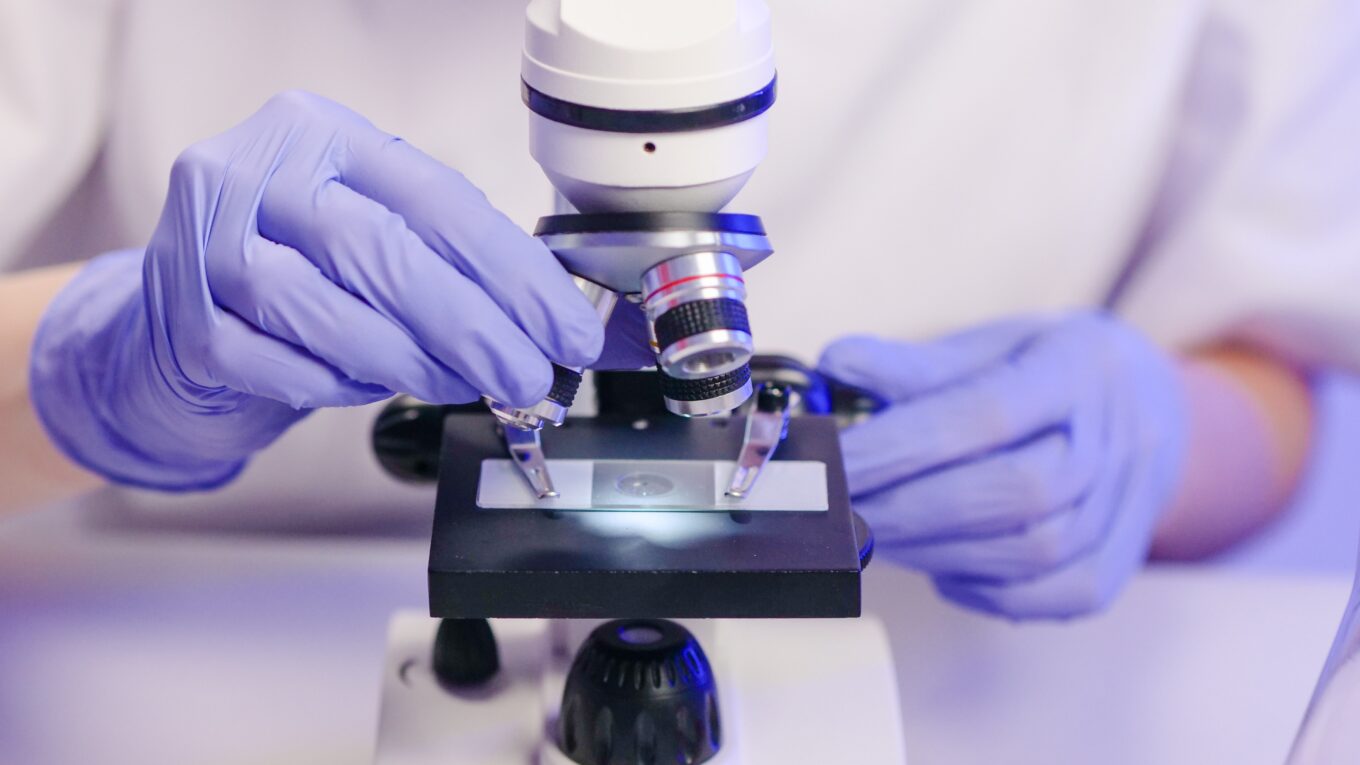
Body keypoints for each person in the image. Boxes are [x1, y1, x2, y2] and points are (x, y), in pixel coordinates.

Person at [1, 1, 1354, 622]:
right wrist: (75, 372)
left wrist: (1155, 434)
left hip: (955, 678)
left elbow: (1266, 354)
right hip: (164, 652)